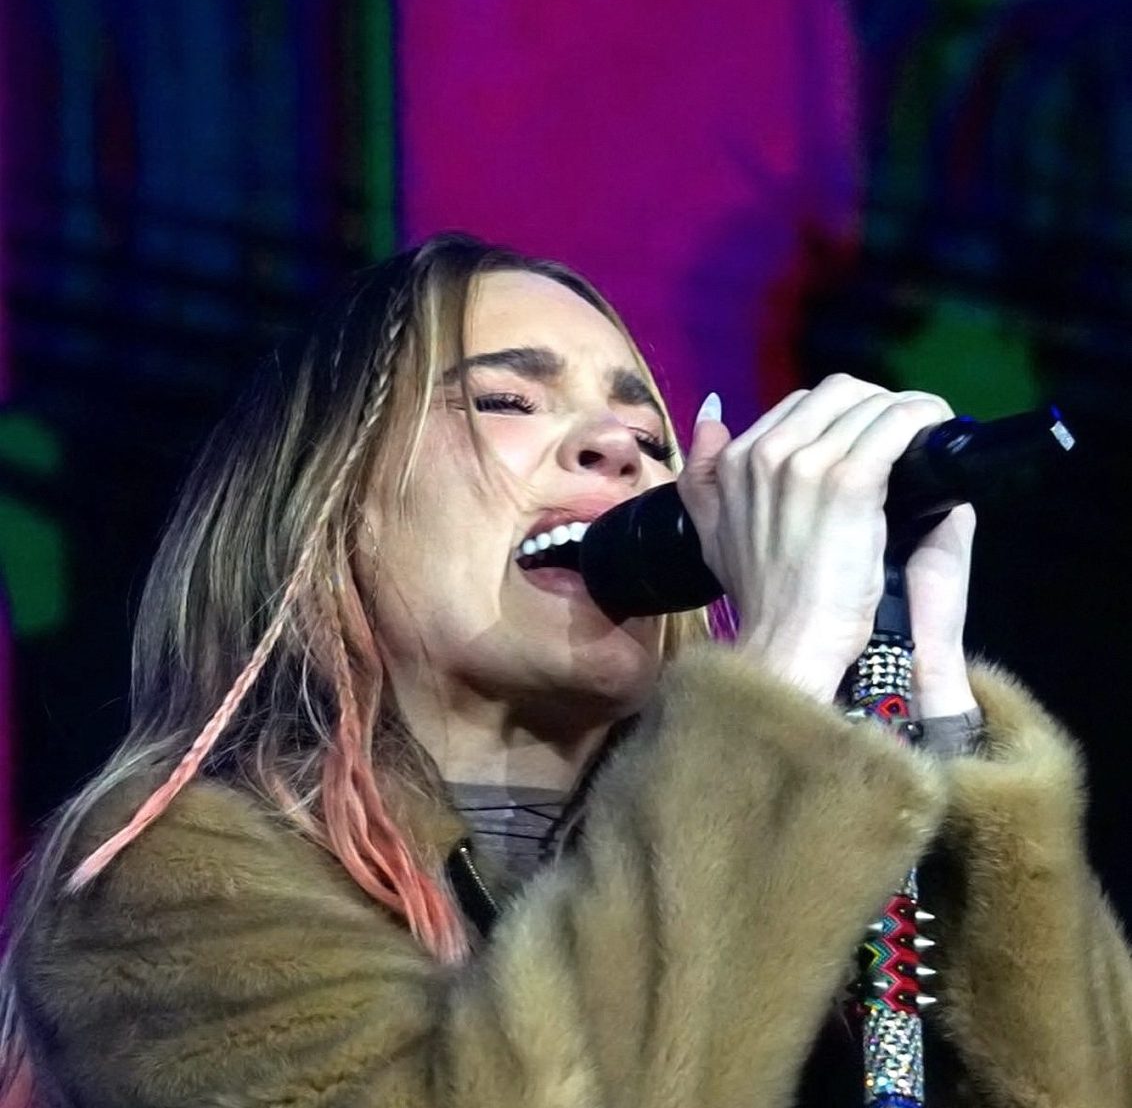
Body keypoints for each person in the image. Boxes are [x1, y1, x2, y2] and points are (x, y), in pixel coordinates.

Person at [0, 233, 1129, 1107]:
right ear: (326, 509)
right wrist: (774, 692)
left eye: (644, 431)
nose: (620, 450)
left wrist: (930, 699)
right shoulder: (169, 889)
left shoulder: (810, 843)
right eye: (506, 399)